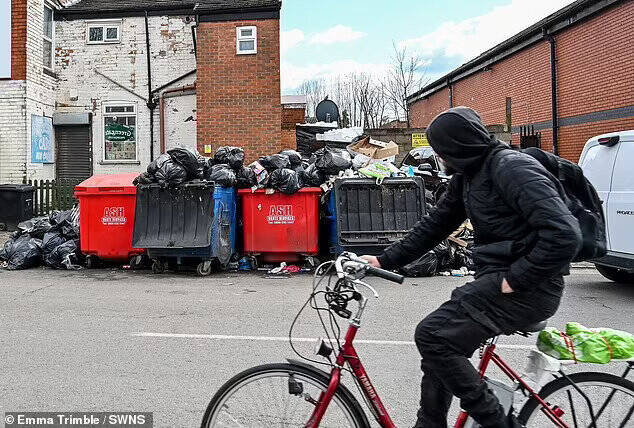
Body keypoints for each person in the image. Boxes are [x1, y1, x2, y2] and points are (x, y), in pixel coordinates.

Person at [361, 107, 582, 428]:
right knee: (439, 344)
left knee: (433, 336)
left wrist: (515, 279)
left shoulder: (511, 168)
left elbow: (565, 234)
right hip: (499, 280)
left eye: (441, 151)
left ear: (458, 145)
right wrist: (383, 260)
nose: (439, 158)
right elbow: (434, 225)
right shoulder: (470, 175)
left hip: (530, 288)